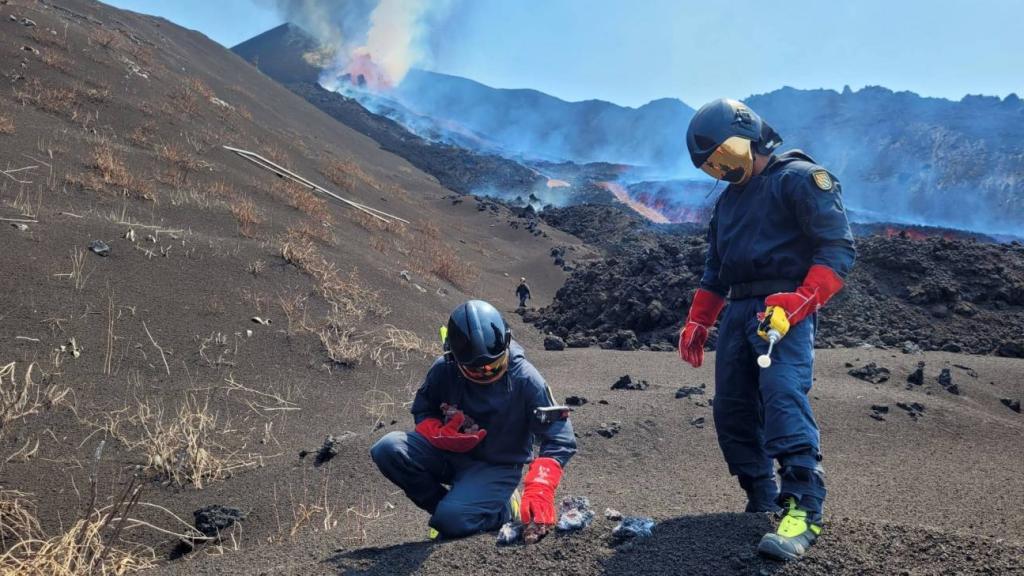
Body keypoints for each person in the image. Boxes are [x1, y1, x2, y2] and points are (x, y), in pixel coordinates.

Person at [678, 98, 855, 561]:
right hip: (739, 311)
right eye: (711, 166)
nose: (720, 171)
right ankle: (760, 499)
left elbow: (837, 249)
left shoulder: (799, 180)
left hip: (782, 309)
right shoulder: (729, 203)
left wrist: (800, 302)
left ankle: (803, 507)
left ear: (747, 138)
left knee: (781, 394)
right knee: (732, 408)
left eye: (723, 158)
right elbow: (716, 270)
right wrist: (700, 319)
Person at [370, 300, 576, 539]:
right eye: (477, 370)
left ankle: (503, 508)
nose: (488, 372)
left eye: (495, 364)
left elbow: (560, 435)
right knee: (387, 448)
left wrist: (541, 485)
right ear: (456, 359)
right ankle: (453, 511)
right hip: (448, 454)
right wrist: (438, 432)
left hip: (496, 466)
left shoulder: (525, 378)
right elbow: (424, 410)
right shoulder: (443, 369)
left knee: (450, 522)